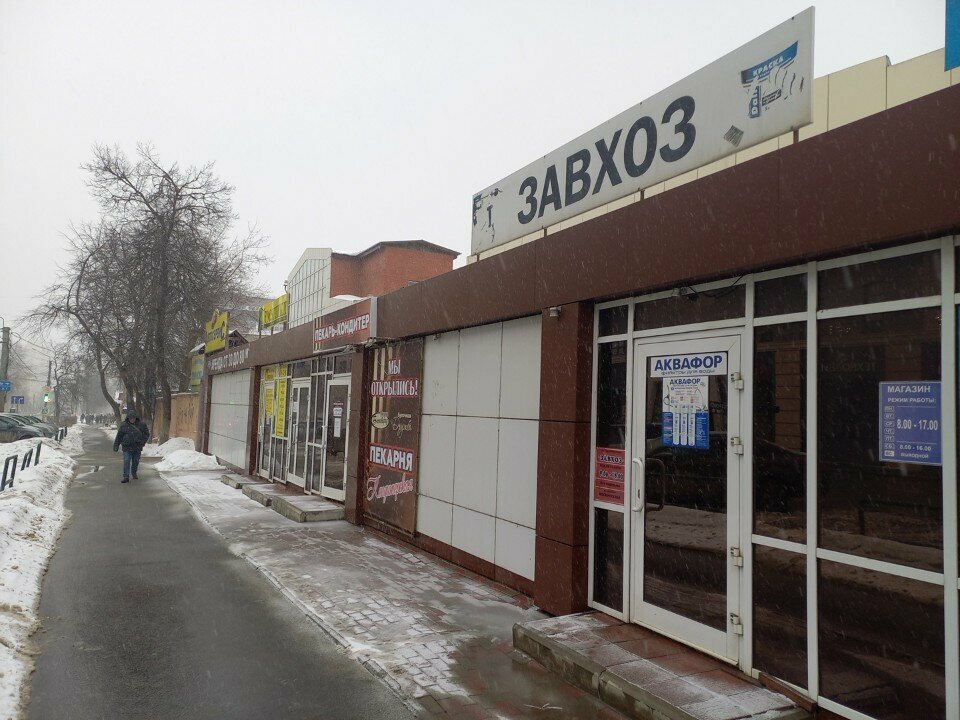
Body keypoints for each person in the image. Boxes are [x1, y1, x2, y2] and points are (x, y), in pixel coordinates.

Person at [113, 412, 150, 483]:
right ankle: (126, 476)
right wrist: (116, 445)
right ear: (128, 418)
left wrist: (142, 442)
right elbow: (119, 436)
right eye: (130, 418)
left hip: (137, 446)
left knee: (136, 461)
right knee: (126, 460)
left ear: (136, 418)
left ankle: (134, 472)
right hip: (127, 446)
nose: (132, 419)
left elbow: (146, 434)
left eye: (133, 418)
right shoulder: (124, 425)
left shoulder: (142, 425)